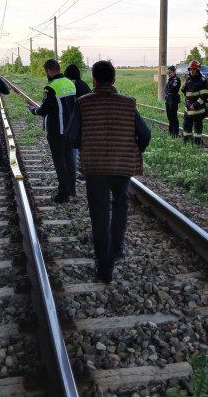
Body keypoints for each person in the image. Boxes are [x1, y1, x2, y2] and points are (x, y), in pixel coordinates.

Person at [66, 60, 151, 284]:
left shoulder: (83, 103)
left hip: (94, 169)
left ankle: (105, 268)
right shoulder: (128, 103)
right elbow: (145, 135)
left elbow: (72, 138)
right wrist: (133, 149)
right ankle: (117, 248)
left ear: (94, 80)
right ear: (114, 79)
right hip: (122, 167)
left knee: (100, 215)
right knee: (121, 204)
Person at [27, 59, 76, 203]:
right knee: (69, 161)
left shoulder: (51, 87)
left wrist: (34, 111)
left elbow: (45, 109)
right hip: (70, 129)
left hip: (57, 131)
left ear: (48, 71)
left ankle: (63, 194)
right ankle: (72, 190)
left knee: (60, 162)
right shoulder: (69, 83)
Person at [63, 64, 91, 181]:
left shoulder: (72, 85)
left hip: (81, 120)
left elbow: (72, 106)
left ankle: (81, 173)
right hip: (89, 118)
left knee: (79, 147)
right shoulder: (84, 84)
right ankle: (84, 173)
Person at [180, 60, 208, 145]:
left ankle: (197, 144)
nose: (191, 71)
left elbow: (204, 96)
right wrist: (184, 90)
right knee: (186, 127)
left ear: (198, 70)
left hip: (198, 110)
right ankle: (186, 142)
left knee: (197, 128)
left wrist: (196, 105)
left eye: (193, 69)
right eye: (190, 69)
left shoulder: (202, 80)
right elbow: (188, 93)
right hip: (188, 109)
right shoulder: (188, 79)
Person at [164, 65, 181, 137]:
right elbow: (165, 89)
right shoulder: (170, 80)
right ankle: (170, 133)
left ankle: (175, 134)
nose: (168, 74)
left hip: (173, 100)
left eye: (170, 72)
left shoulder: (176, 80)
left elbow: (172, 89)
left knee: (174, 118)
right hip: (168, 100)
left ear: (174, 72)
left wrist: (168, 90)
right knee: (169, 118)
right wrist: (168, 91)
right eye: (167, 73)